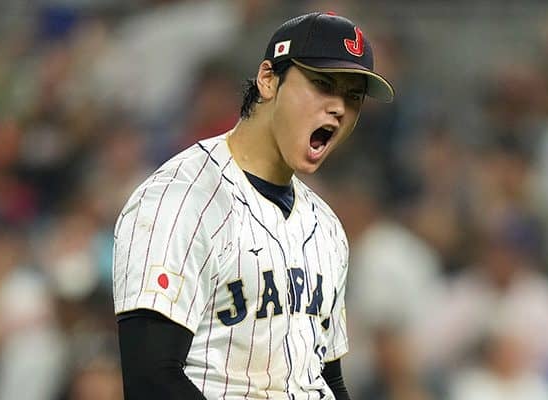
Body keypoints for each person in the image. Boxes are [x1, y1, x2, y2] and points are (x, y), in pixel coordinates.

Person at [111, 11, 394, 400]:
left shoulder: (326, 225)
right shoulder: (178, 199)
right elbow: (151, 381)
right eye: (323, 84)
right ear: (268, 79)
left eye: (353, 96)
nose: (339, 108)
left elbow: (328, 379)